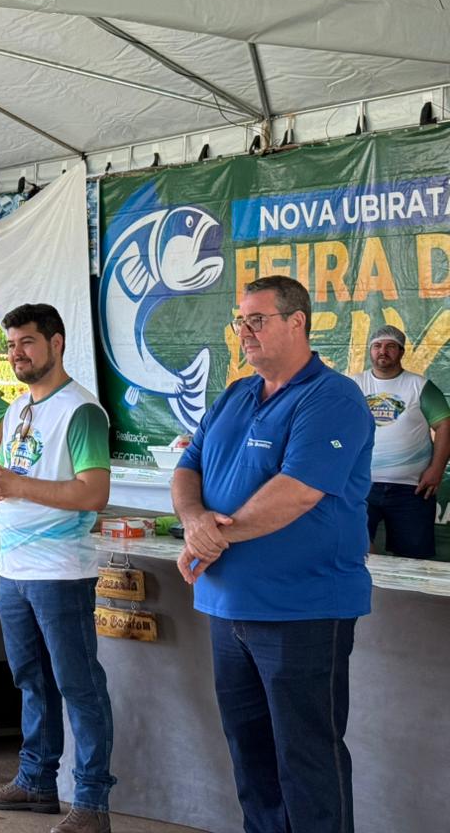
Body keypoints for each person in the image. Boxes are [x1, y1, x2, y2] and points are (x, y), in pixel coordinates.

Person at [172, 275, 373, 833]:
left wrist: (214, 537)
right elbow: (187, 468)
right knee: (251, 757)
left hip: (302, 609)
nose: (245, 331)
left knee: (307, 759)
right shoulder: (236, 394)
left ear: (297, 322)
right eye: (240, 321)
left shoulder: (333, 397)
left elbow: (299, 491)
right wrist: (193, 522)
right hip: (228, 606)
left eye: (257, 320)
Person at [0, 304, 116, 833]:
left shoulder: (82, 411)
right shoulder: (16, 409)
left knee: (79, 686)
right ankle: (36, 781)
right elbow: (11, 471)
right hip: (14, 568)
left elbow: (93, 493)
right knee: (30, 680)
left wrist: (16, 485)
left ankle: (92, 802)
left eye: (27, 342)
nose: (17, 353)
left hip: (61, 571)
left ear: (56, 343)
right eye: (11, 344)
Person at [349, 324, 450, 559]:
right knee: (352, 550)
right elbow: (333, 426)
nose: (383, 351)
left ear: (402, 351)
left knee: (414, 559)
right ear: (370, 350)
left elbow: (445, 425)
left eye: (391, 346)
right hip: (361, 485)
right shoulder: (353, 385)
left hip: (412, 488)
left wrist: (437, 469)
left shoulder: (420, 386)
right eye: (377, 346)